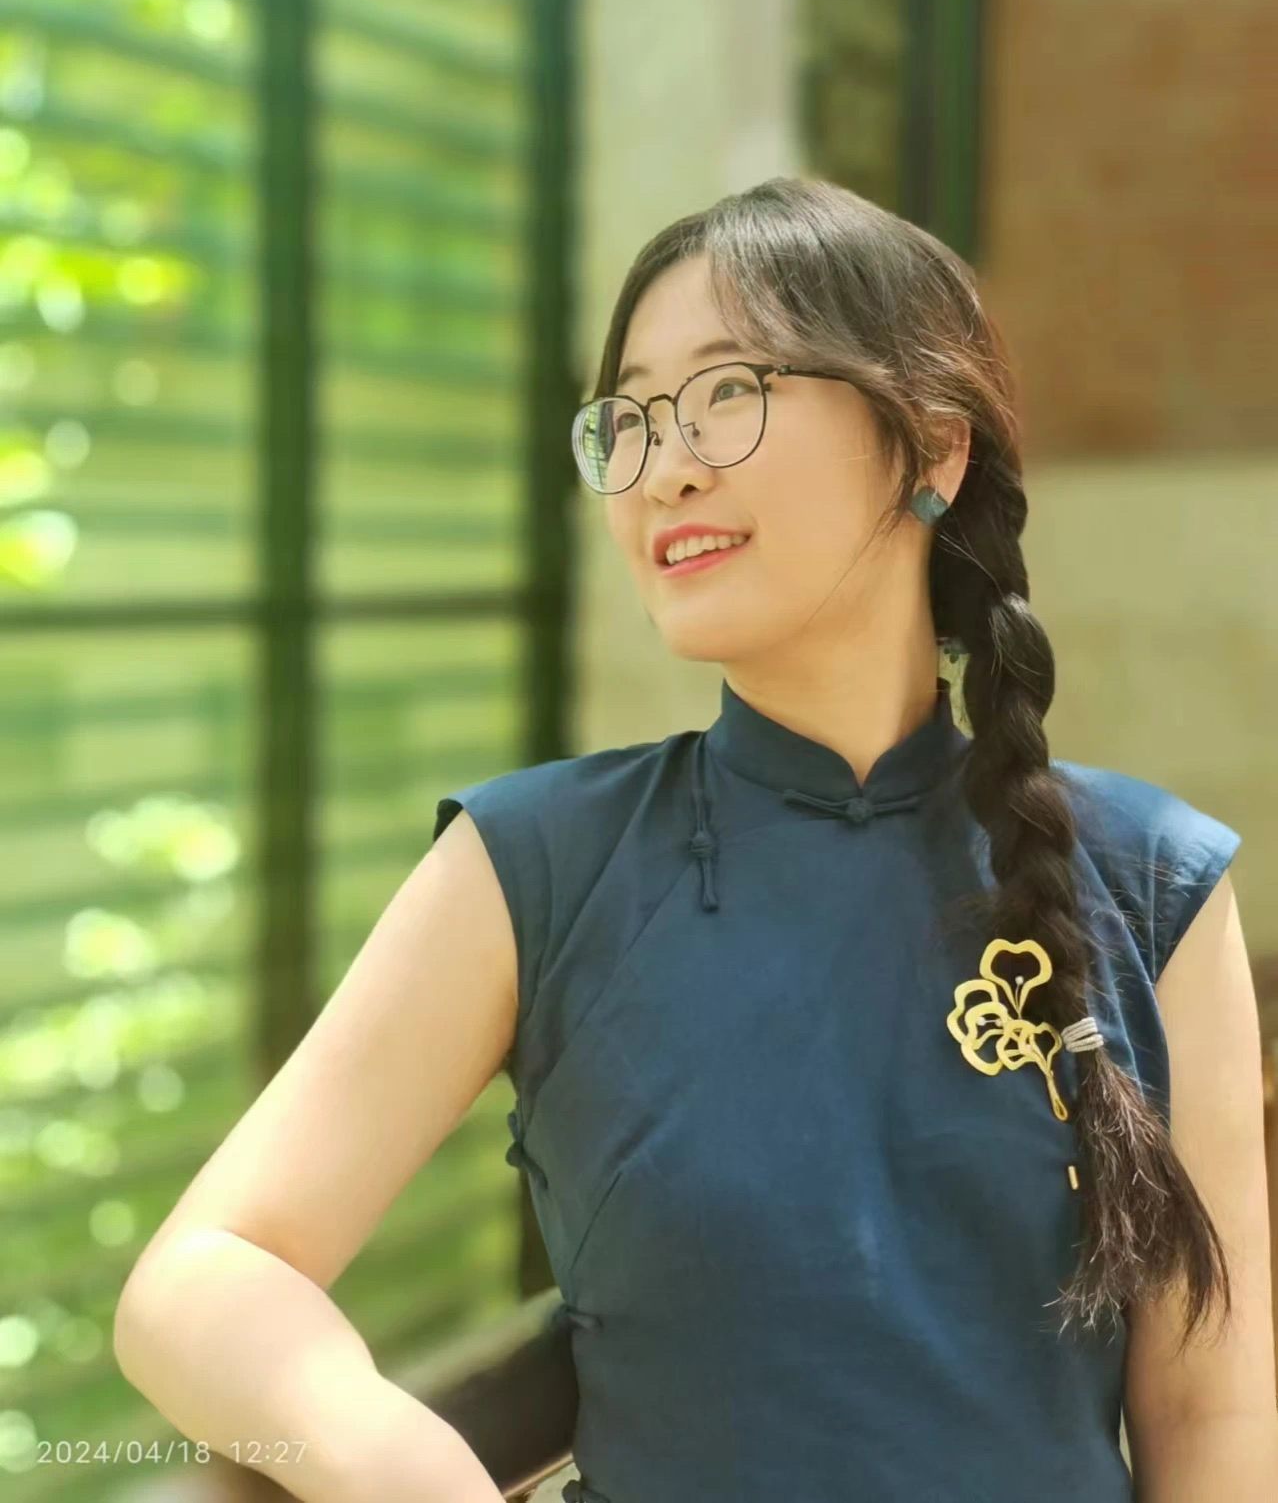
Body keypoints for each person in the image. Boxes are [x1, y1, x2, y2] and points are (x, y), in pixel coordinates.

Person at [113, 176, 1275, 1503]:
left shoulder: (1151, 881)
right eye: (631, 417)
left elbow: (1210, 1421)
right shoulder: (535, 863)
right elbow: (199, 1276)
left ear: (933, 448)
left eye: (728, 392)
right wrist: (412, 1470)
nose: (663, 466)